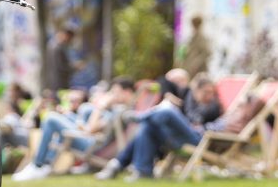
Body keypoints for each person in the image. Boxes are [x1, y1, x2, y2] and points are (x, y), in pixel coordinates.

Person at [95, 74, 224, 180]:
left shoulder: (213, 106)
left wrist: (204, 126)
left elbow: (220, 125)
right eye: (205, 92)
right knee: (149, 126)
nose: (209, 96)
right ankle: (136, 169)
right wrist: (168, 94)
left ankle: (139, 117)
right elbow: (163, 80)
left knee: (167, 110)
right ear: (195, 89)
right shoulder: (188, 98)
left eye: (211, 93)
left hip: (200, 138)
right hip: (180, 136)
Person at [13, 77, 137, 181]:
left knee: (51, 118)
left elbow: (91, 129)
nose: (112, 95)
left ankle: (38, 165)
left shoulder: (121, 112)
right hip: (89, 137)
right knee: (65, 115)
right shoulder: (120, 109)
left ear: (126, 92)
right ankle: (43, 163)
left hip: (90, 144)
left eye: (115, 92)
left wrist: (101, 106)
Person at [45, 26, 76, 92]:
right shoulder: (57, 48)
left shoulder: (54, 46)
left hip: (56, 82)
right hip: (59, 82)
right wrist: (74, 67)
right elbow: (61, 67)